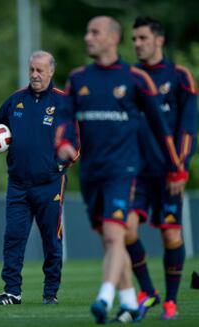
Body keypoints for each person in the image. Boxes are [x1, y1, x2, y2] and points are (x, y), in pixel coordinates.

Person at [59, 16, 187, 324]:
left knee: (125, 233)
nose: (87, 37)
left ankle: (109, 297)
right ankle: (132, 299)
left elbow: (164, 130)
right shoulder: (78, 79)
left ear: (111, 39)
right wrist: (64, 143)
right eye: (87, 31)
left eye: (94, 32)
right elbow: (65, 121)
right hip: (92, 172)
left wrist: (176, 168)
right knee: (113, 236)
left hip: (129, 170)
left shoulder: (140, 79)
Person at [0, 50, 79, 305]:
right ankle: (12, 292)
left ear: (51, 71)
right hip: (18, 184)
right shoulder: (14, 101)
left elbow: (76, 144)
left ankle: (50, 293)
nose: (34, 75)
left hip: (50, 184)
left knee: (51, 241)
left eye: (40, 70)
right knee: (13, 237)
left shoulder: (65, 103)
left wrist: (59, 165)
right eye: (31, 70)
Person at [126, 16, 197, 320]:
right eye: (134, 39)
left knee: (171, 237)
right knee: (124, 229)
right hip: (135, 173)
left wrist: (179, 168)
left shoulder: (180, 77)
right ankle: (148, 292)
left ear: (159, 40)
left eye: (142, 38)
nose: (137, 44)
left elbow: (188, 128)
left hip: (168, 171)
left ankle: (170, 301)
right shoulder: (129, 78)